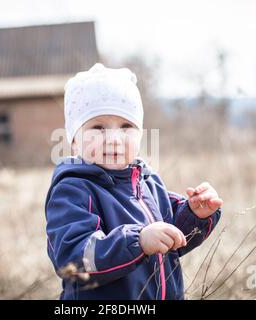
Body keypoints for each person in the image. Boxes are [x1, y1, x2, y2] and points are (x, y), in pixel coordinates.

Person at [45, 63, 223, 300]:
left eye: (126, 126)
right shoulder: (74, 190)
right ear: (74, 141)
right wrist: (138, 241)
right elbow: (75, 257)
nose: (114, 139)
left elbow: (172, 239)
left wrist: (195, 214)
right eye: (98, 127)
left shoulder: (147, 183)